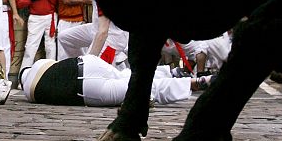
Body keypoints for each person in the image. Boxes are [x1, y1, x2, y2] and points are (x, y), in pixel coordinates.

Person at [19, 54, 213, 107]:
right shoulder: (41, 64)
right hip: (88, 64)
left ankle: (194, 83)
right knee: (129, 74)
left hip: (86, 90)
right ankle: (168, 72)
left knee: (138, 87)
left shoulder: (31, 94)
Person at [16, 0, 58, 70]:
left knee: (50, 47)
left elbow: (56, 2)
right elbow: (19, 3)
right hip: (35, 18)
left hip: (50, 17)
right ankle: (23, 77)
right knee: (30, 47)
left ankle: (51, 74)